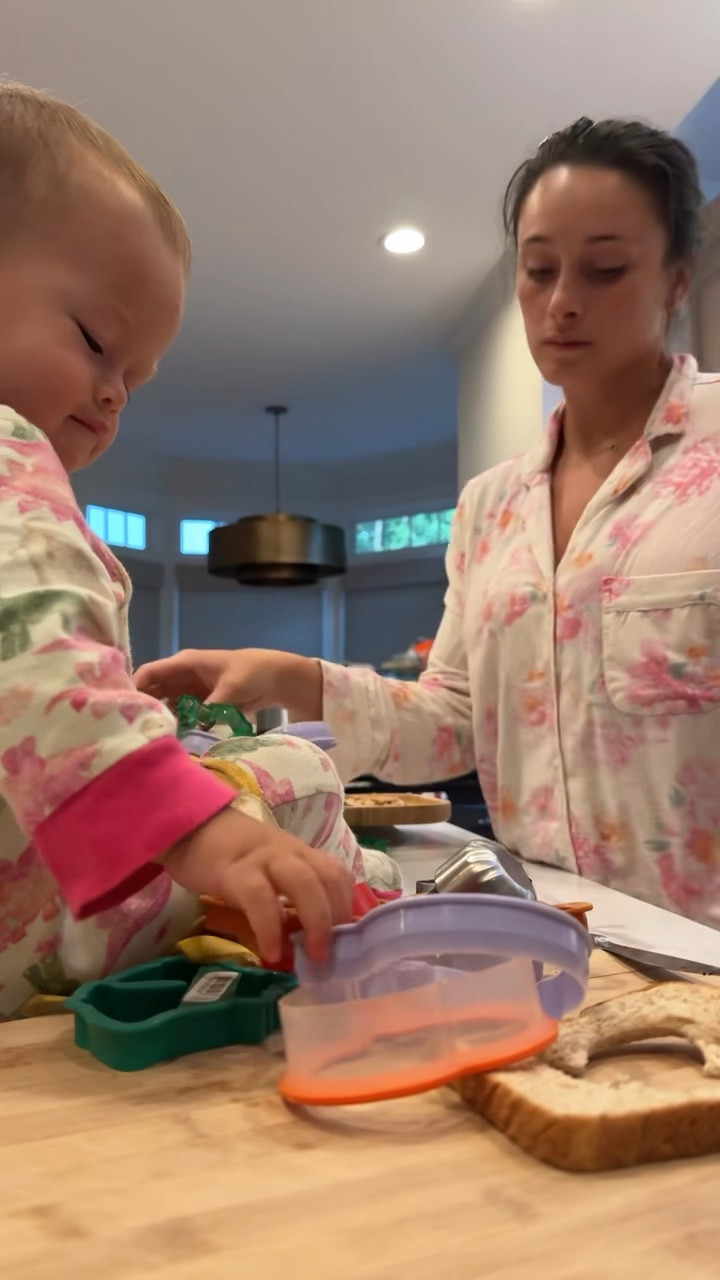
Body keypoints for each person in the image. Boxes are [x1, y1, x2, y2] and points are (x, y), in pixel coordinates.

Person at [137, 117, 720, 930]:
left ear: (679, 279)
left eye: (607, 269)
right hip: (549, 925)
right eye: (539, 269)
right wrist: (291, 676)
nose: (562, 303)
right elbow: (452, 725)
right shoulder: (491, 506)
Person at [0, 81, 360, 1018]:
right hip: (38, 926)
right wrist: (199, 829)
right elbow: (34, 651)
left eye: (135, 378)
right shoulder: (8, 456)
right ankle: (363, 930)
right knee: (303, 774)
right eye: (94, 341)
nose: (115, 395)